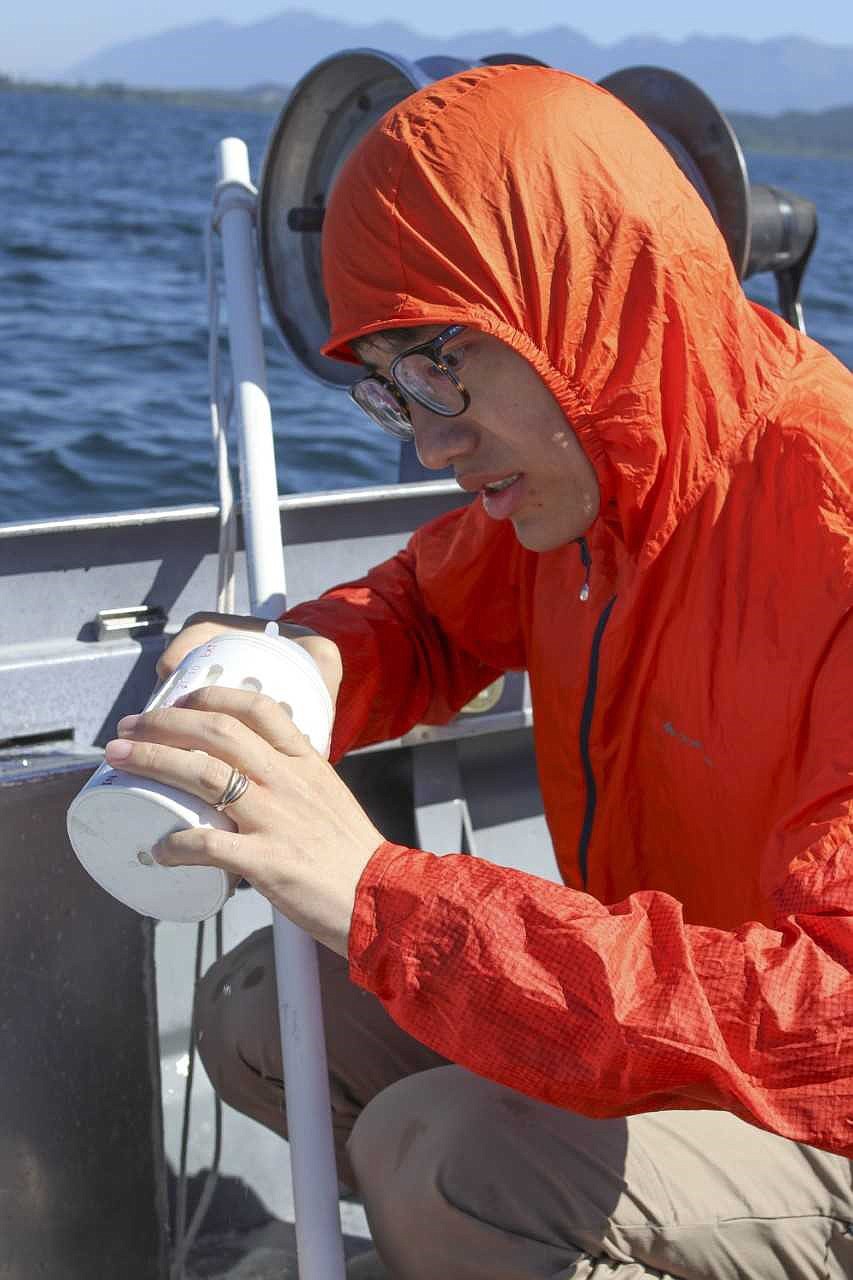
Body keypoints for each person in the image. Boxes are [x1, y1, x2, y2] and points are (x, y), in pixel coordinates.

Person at [105, 66, 853, 1278]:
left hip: (823, 1089)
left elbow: (829, 1021)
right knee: (263, 1024)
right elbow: (427, 615)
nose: (429, 439)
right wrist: (300, 658)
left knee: (444, 1160)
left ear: (585, 304)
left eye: (446, 365)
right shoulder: (587, 482)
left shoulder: (829, 517)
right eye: (390, 386)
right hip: (670, 1023)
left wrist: (384, 897)